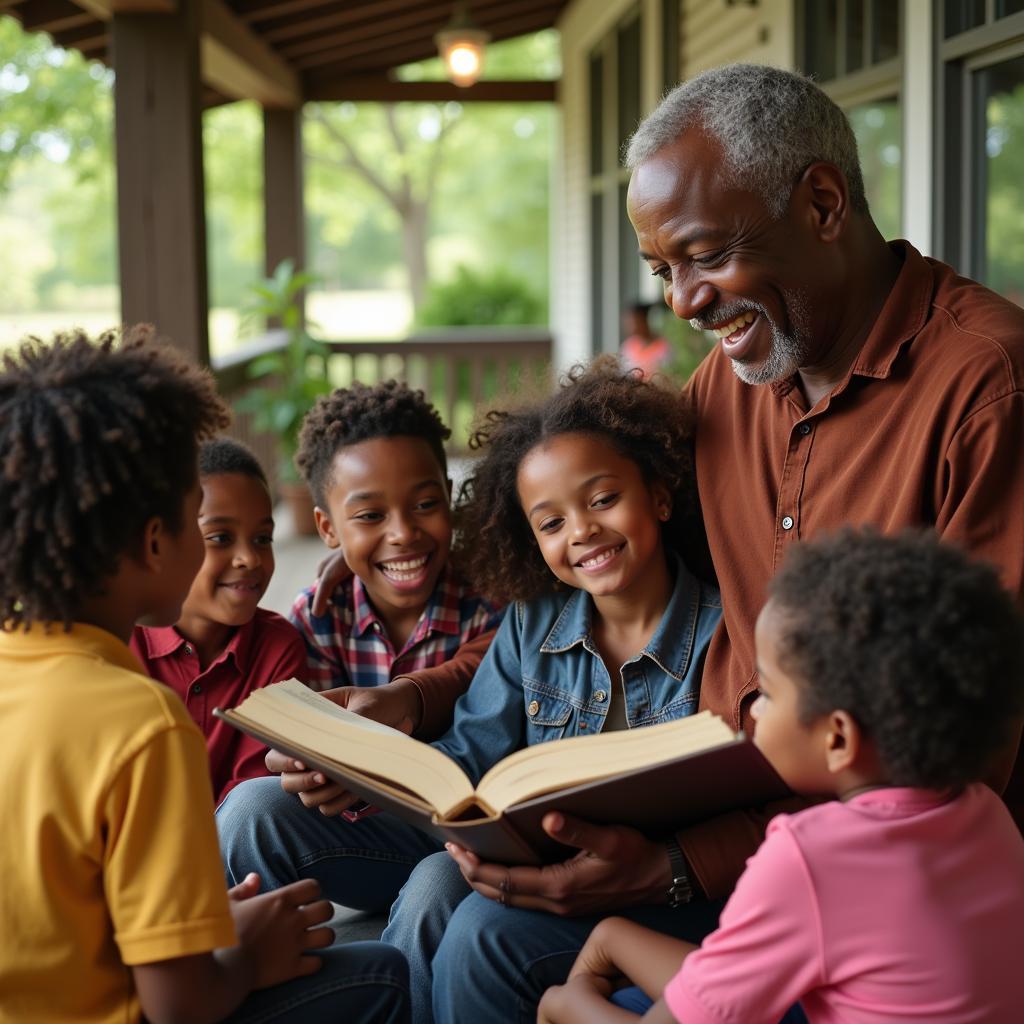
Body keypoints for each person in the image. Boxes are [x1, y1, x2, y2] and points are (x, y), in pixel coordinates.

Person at [390, 63, 1024, 1024]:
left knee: (482, 934)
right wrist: (416, 700)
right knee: (442, 891)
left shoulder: (988, 388)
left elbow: (974, 752)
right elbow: (594, 580)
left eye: (703, 256)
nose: (682, 303)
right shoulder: (731, 385)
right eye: (662, 271)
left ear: (821, 201)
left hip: (866, 880)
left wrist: (683, 867)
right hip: (714, 831)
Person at [0, 328, 410, 1024]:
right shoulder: (140, 719)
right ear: (156, 540)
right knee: (384, 973)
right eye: (202, 522)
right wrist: (250, 955)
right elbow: (178, 1005)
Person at [538, 529, 1024, 1023]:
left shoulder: (810, 858)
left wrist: (564, 1005)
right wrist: (613, 937)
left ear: (837, 738)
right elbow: (718, 991)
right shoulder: (985, 813)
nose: (755, 712)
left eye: (766, 693)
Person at [377, 356, 723, 1022]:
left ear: (659, 492)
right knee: (433, 881)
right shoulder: (533, 623)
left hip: (672, 888)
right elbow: (469, 758)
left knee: (477, 924)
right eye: (552, 523)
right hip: (548, 864)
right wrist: (386, 772)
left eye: (602, 499)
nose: (583, 532)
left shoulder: (724, 632)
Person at [217, 380, 503, 913]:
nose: (402, 533)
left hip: (474, 845)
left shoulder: (493, 601)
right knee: (248, 809)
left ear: (449, 496)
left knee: (434, 886)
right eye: (370, 516)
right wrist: (312, 772)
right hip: (370, 840)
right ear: (327, 527)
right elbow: (308, 756)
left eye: (424, 504)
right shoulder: (318, 620)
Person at [130, 438, 308, 806]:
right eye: (220, 538)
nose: (249, 558)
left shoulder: (277, 649)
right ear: (162, 541)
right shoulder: (121, 643)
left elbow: (252, 797)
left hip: (231, 853)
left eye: (263, 538)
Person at [620, 302, 672, 378]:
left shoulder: (664, 347)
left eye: (633, 321)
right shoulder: (628, 347)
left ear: (644, 320)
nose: (630, 325)